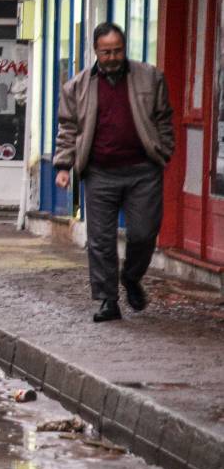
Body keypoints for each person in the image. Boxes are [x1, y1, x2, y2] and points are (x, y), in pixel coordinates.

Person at [54, 23, 174, 323]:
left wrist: (164, 149)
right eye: (106, 52)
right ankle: (108, 300)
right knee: (100, 240)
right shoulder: (77, 87)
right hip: (99, 173)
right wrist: (63, 166)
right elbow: (68, 128)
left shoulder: (150, 77)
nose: (112, 57)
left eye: (117, 51)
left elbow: (163, 117)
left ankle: (131, 277)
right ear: (95, 51)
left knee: (144, 233)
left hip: (142, 170)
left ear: (124, 49)